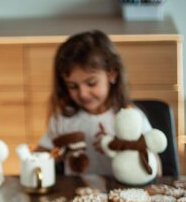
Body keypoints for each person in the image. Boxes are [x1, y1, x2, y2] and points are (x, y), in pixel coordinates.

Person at [37, 30, 152, 175]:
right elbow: (39, 156)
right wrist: (55, 157)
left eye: (91, 83)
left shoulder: (132, 119)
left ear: (112, 74)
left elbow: (156, 169)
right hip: (75, 193)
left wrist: (122, 146)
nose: (83, 94)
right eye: (73, 86)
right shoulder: (63, 119)